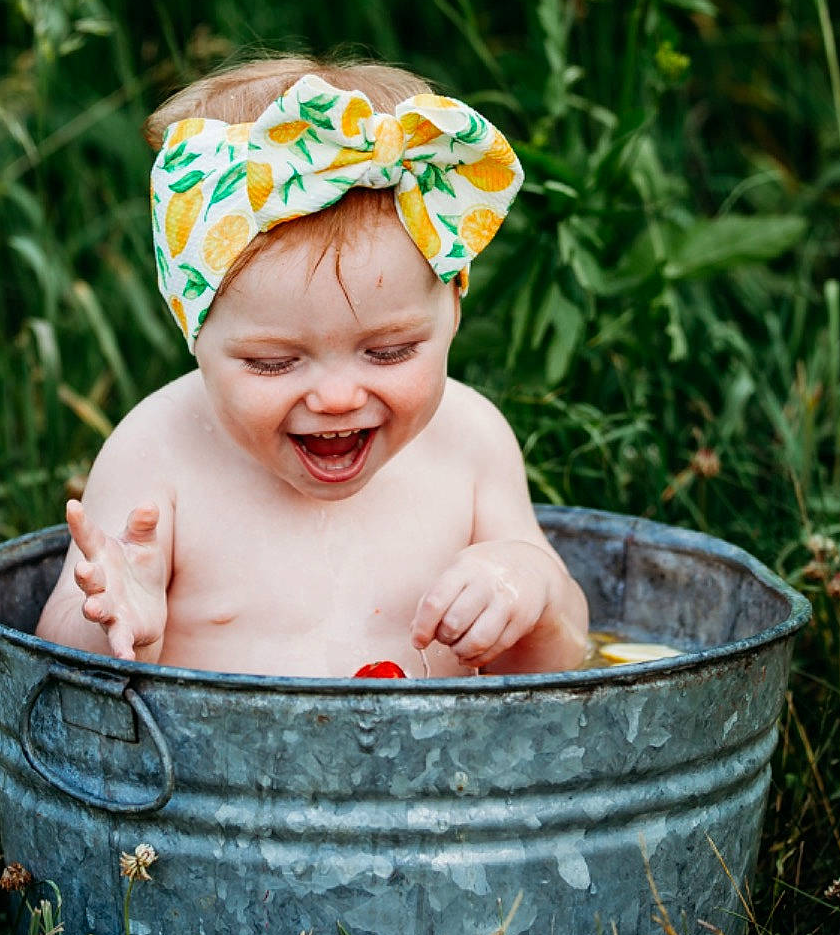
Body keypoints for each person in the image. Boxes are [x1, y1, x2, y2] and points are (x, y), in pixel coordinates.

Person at [35, 56, 588, 677]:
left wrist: (530, 587)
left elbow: (564, 670)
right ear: (194, 330)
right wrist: (113, 623)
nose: (337, 397)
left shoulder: (470, 441)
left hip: (443, 773)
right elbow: (55, 686)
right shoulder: (157, 451)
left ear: (452, 312)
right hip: (212, 770)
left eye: (390, 351)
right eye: (272, 363)